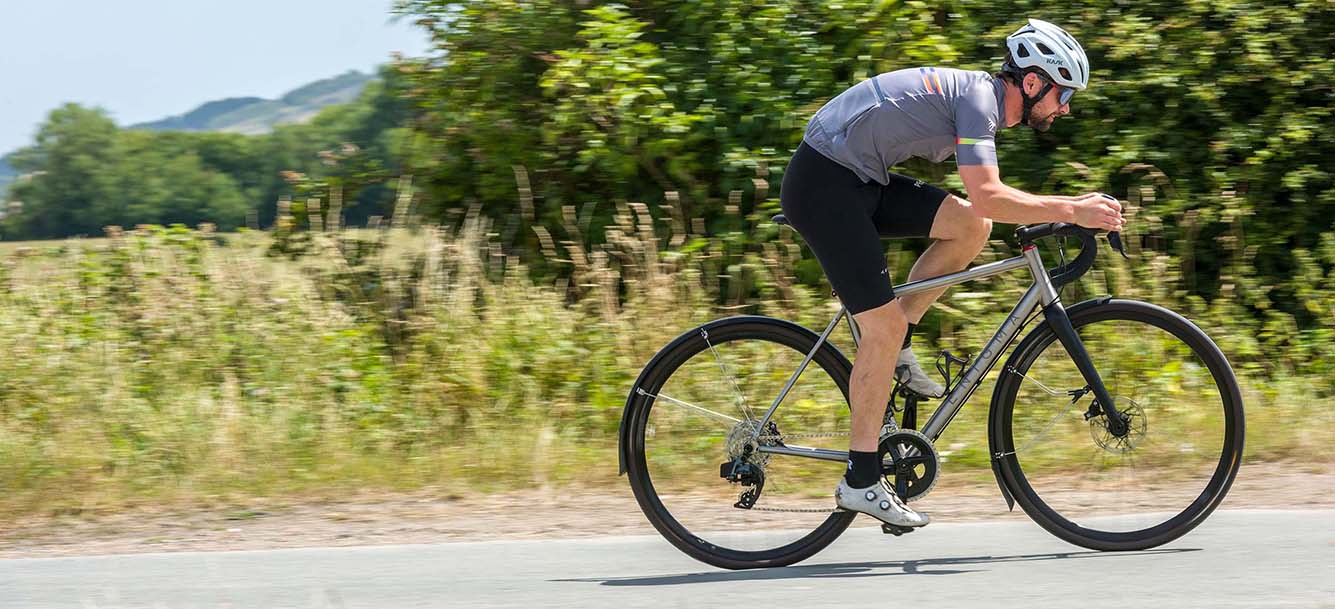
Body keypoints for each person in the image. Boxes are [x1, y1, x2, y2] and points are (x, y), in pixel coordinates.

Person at [778, 18, 1126, 528]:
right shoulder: (979, 102)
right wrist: (1073, 209)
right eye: (1062, 94)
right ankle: (861, 479)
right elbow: (990, 191)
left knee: (970, 226)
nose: (1065, 107)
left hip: (857, 177)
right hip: (825, 185)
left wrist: (1062, 209)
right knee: (886, 322)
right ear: (1032, 83)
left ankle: (894, 345)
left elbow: (983, 207)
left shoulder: (978, 100)